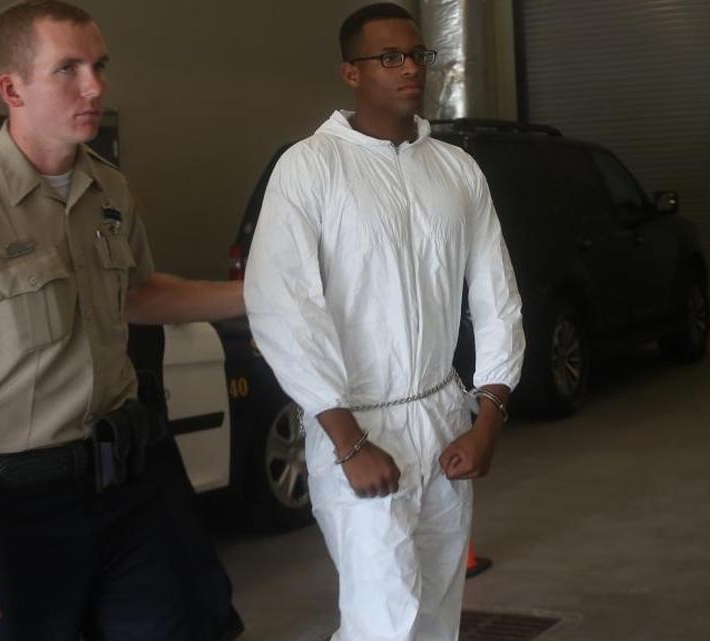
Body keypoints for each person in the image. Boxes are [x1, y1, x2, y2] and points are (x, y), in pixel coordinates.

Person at [0, 2, 244, 640]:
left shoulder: (110, 190)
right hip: (16, 506)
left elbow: (138, 294)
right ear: (11, 88)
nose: (94, 86)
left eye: (98, 66)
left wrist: (257, 294)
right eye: (67, 69)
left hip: (130, 484)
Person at [243, 3, 525, 640]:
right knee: (383, 622)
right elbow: (282, 306)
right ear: (351, 72)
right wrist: (347, 440)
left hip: (442, 414)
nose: (410, 70)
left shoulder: (455, 170)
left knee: (436, 613)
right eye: (389, 58)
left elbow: (497, 298)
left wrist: (489, 417)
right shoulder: (310, 168)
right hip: (358, 427)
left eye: (418, 55)